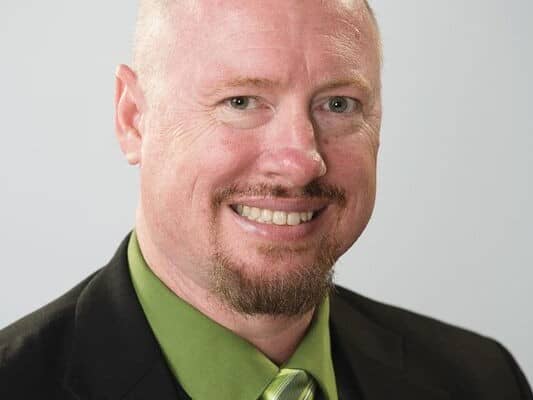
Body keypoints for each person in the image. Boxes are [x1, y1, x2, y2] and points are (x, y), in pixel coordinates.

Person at [0, 0, 531, 399]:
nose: (301, 161)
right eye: (241, 101)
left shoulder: (481, 381)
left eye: (338, 104)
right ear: (134, 118)